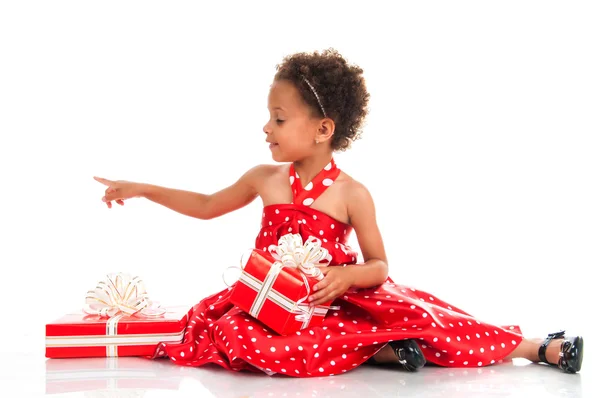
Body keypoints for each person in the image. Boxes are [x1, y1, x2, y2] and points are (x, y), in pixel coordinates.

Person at [94, 49, 583, 377]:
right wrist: (142, 188)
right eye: (269, 117)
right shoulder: (265, 178)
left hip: (342, 301)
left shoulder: (352, 193)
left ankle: (537, 346)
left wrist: (348, 279)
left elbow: (379, 266)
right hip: (275, 309)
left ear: (323, 128)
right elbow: (204, 206)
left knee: (430, 317)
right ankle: (386, 352)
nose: (267, 128)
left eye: (279, 119)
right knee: (239, 339)